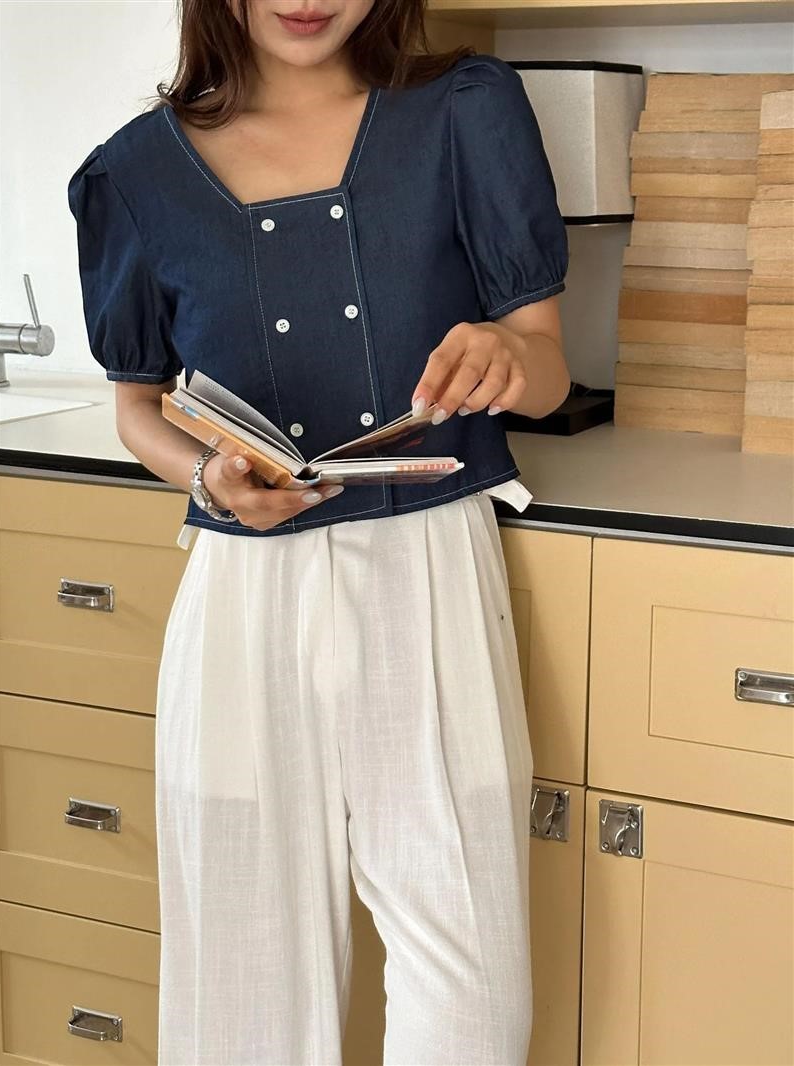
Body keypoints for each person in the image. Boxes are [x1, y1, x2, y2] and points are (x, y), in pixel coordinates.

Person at [67, 1, 570, 1062]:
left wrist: (504, 354)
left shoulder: (462, 113)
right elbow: (137, 409)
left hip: (428, 569)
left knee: (472, 993)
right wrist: (207, 476)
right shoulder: (133, 173)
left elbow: (545, 366)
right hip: (244, 597)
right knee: (241, 983)